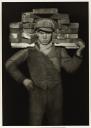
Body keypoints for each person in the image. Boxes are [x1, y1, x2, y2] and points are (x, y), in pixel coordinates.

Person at [5, 18, 85, 126]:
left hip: (56, 94)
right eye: (41, 32)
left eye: (48, 33)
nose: (44, 36)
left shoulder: (59, 50)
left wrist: (79, 52)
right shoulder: (29, 51)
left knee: (56, 124)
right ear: (37, 33)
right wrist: (23, 80)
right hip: (36, 94)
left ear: (52, 34)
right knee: (35, 124)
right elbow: (9, 64)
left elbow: (71, 68)